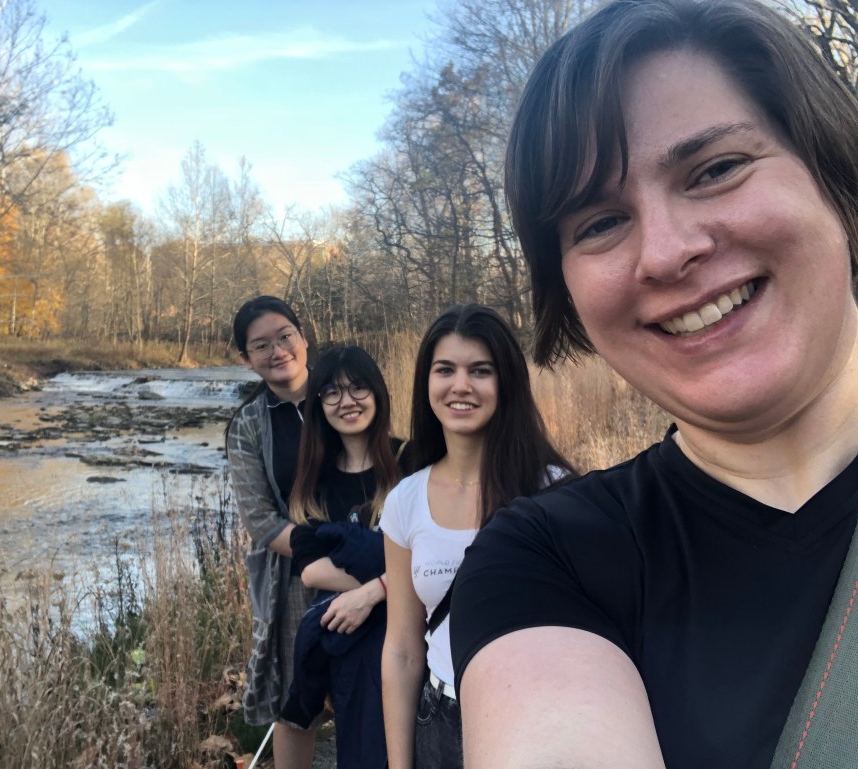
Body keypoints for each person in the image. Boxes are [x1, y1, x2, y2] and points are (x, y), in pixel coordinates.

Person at [449, 1, 858, 768]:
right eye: (600, 223)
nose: (666, 253)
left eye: (716, 169)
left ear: (832, 174)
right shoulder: (545, 562)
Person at [379, 304, 575, 769]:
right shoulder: (405, 501)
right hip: (440, 720)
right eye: (445, 369)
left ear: (506, 382)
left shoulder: (553, 492)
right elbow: (403, 649)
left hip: (533, 720)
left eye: (480, 371)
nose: (461, 385)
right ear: (427, 382)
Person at [281, 345, 406, 769]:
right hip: (352, 643)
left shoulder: (412, 460)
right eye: (331, 392)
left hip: (414, 632)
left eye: (358, 387)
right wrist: (397, 574)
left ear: (378, 392)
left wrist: (374, 591)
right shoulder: (313, 480)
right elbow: (312, 570)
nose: (346, 401)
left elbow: (437, 555)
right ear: (319, 405)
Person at [225, 295, 319, 769]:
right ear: (247, 359)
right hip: (294, 578)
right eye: (261, 345)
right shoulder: (247, 424)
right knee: (297, 705)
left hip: (370, 569)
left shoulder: (345, 394)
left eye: (285, 336)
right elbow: (260, 520)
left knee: (370, 691)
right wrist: (323, 558)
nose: (278, 350)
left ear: (304, 337)